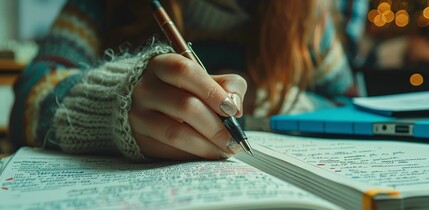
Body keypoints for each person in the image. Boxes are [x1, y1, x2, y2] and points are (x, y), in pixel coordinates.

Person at [9, 0, 367, 161]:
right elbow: (29, 98)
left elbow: (351, 105)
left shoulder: (305, 16)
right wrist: (114, 103)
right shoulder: (106, 5)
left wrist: (278, 101)